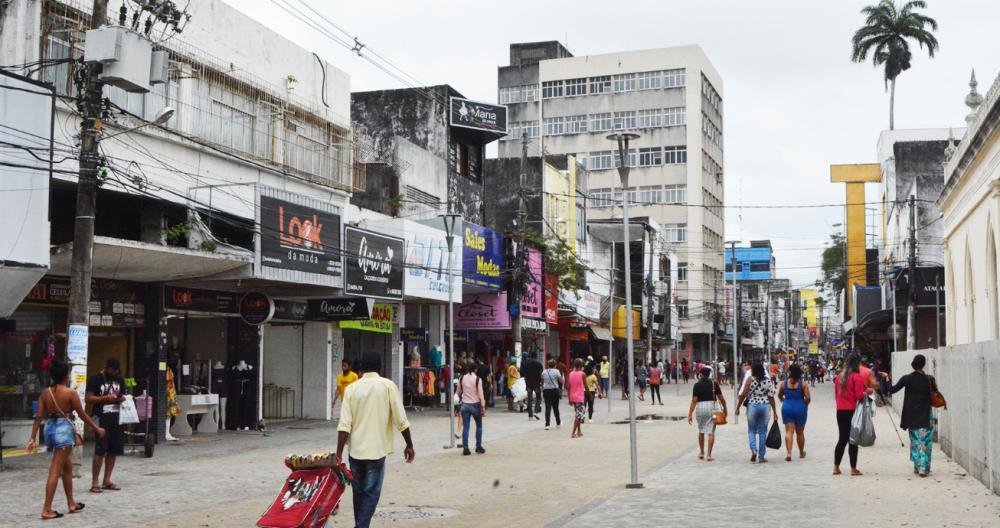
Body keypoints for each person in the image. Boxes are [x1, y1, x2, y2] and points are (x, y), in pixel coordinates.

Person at [336, 351, 414, 528]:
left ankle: (361, 525)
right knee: (371, 493)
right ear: (380, 367)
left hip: (355, 452)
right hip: (376, 451)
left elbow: (344, 425)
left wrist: (338, 454)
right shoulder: (387, 386)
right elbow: (401, 420)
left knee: (358, 493)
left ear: (361, 368)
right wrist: (409, 445)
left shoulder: (351, 389)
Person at [27, 361, 105, 520]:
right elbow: (82, 415)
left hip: (50, 429)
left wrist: (33, 437)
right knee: (55, 470)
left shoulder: (45, 393)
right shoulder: (70, 393)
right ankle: (46, 509)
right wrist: (97, 429)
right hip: (63, 430)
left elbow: (39, 416)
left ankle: (71, 503)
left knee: (66, 467)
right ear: (66, 376)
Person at [885, 354, 941, 477]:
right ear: (923, 364)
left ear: (913, 364)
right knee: (925, 442)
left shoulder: (907, 378)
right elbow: (935, 393)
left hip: (911, 416)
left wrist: (887, 379)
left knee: (915, 441)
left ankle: (917, 466)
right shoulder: (929, 379)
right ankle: (923, 467)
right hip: (925, 415)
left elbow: (891, 390)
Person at [86, 357, 125, 494]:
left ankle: (107, 480)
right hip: (101, 419)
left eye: (115, 371)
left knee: (113, 450)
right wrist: (105, 399)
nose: (113, 373)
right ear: (106, 367)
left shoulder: (120, 379)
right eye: (111, 370)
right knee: (100, 450)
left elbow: (123, 395)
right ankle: (95, 481)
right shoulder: (96, 379)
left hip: (116, 418)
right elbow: (89, 398)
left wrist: (120, 398)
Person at [833, 354, 869, 476]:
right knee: (853, 440)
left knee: (842, 439)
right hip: (852, 411)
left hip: (840, 411)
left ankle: (836, 467)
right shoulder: (856, 377)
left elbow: (836, 396)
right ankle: (853, 469)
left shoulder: (839, 377)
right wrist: (867, 391)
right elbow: (859, 396)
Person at [735, 362, 778, 463]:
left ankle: (754, 450)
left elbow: (743, 394)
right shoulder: (768, 381)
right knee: (763, 432)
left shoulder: (750, 380)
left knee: (751, 430)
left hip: (752, 406)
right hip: (765, 406)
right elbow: (771, 397)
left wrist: (738, 407)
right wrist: (775, 412)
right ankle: (761, 457)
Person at [687, 367, 727, 461]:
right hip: (712, 408)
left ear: (700, 374)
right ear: (709, 375)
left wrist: (690, 414)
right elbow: (721, 398)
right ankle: (709, 455)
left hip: (700, 408)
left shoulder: (696, 385)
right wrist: (725, 408)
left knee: (701, 430)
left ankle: (701, 452)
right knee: (711, 432)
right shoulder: (714, 384)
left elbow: (694, 400)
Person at [777, 364, 811, 462]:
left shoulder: (784, 384)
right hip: (800, 407)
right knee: (800, 432)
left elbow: (780, 395)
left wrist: (784, 400)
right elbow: (808, 398)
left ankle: (789, 453)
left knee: (789, 431)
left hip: (787, 407)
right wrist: (805, 405)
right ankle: (801, 452)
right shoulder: (803, 384)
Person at [456, 360, 486, 455]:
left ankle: (465, 448)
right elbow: (481, 394)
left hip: (465, 404)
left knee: (466, 427)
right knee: (479, 426)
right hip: (475, 404)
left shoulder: (462, 378)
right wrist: (483, 405)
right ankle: (478, 446)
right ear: (475, 370)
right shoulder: (478, 379)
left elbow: (458, 392)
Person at [567, 358, 587, 438]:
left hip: (573, 397)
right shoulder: (583, 374)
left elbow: (568, 387)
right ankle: (573, 433)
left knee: (578, 414)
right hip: (579, 397)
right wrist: (590, 395)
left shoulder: (570, 374)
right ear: (581, 365)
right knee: (578, 416)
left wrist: (569, 398)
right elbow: (586, 386)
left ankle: (579, 431)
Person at [541, 359, 564, 430]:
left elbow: (542, 380)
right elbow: (561, 381)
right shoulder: (556, 371)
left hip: (546, 391)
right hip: (554, 391)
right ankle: (558, 423)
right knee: (555, 408)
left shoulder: (544, 371)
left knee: (547, 408)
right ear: (555, 365)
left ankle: (547, 424)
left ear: (548, 365)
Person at [521, 352, 543, 420]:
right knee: (538, 398)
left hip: (528, 384)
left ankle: (530, 416)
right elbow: (541, 374)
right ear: (536, 356)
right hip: (536, 384)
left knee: (529, 399)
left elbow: (522, 373)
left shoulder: (526, 363)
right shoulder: (539, 364)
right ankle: (536, 411)